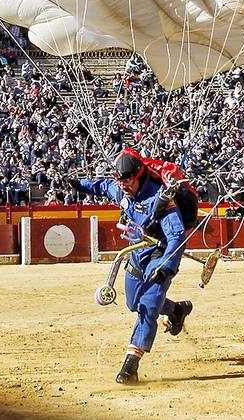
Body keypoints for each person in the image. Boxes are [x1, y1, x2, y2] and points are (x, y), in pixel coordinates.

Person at [73, 151, 194, 385]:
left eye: (127, 179)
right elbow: (101, 187)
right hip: (138, 250)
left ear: (139, 175)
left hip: (163, 252)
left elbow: (177, 236)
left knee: (148, 305)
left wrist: (167, 266)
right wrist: (79, 185)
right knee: (133, 303)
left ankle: (130, 366)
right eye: (120, 179)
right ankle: (176, 310)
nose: (123, 184)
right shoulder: (120, 188)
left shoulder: (160, 198)